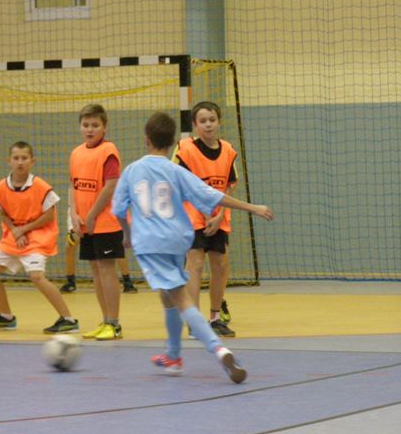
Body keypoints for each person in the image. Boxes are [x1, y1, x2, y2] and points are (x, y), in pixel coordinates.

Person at [112, 111, 273, 382]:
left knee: (179, 297)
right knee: (168, 296)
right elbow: (212, 196)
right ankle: (173, 356)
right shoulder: (176, 171)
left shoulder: (132, 171)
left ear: (146, 140)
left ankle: (219, 349)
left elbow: (118, 210)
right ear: (171, 142)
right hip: (178, 239)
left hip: (151, 244)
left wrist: (127, 234)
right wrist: (252, 207)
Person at [0, 141, 79, 334]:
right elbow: (2, 213)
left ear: (32, 161)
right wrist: (15, 231)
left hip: (37, 237)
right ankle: (6, 316)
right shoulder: (1, 187)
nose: (20, 162)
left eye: (24, 158)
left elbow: (49, 216)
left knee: (36, 276)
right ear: (9, 161)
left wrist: (23, 229)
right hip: (13, 238)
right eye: (16, 158)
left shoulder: (41, 186)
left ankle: (68, 319)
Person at [173, 101, 237, 337]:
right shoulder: (185, 150)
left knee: (220, 265)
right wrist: (204, 213)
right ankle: (195, 322)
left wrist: (219, 216)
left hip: (219, 218)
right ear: (194, 125)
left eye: (212, 120)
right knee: (195, 265)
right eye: (202, 121)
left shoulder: (228, 150)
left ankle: (216, 318)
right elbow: (178, 184)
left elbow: (229, 185)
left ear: (219, 122)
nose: (208, 125)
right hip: (192, 218)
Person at [69, 104, 124, 341]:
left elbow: (110, 186)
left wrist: (91, 214)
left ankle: (114, 323)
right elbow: (72, 185)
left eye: (95, 125)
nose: (90, 129)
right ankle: (105, 320)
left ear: (104, 127)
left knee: (106, 270)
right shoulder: (76, 153)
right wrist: (74, 214)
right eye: (86, 125)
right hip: (85, 224)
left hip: (105, 223)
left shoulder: (108, 151)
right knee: (95, 271)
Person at [60, 207, 138, 293]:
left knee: (116, 247)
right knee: (71, 244)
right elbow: (72, 202)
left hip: (100, 212)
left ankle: (127, 281)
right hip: (78, 212)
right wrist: (74, 216)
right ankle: (70, 281)